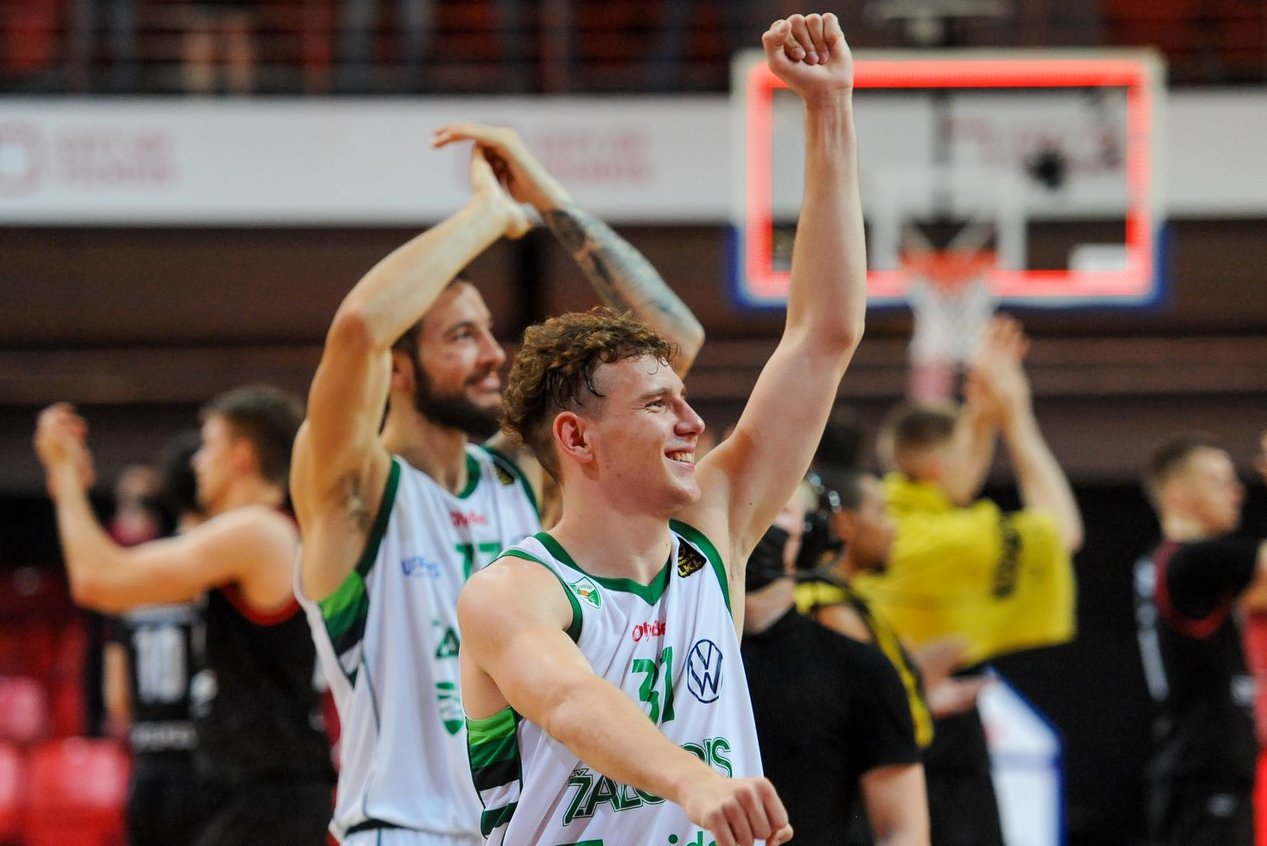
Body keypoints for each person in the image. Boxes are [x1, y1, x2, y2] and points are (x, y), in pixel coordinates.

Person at [456, 13, 866, 845]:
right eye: (655, 405)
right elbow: (569, 699)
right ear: (577, 439)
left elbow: (822, 336)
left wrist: (829, 109)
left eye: (682, 398)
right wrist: (693, 780)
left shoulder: (713, 532)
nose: (692, 422)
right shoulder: (513, 591)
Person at [289, 117, 704, 843]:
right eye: (461, 336)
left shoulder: (518, 474)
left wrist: (545, 200)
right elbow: (357, 328)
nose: (492, 354)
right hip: (402, 830)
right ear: (398, 369)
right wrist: (485, 215)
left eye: (487, 329)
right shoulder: (353, 490)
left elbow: (670, 345)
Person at [34, 386, 334, 846]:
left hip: (272, 791)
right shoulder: (265, 531)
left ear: (241, 456)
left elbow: (97, 581)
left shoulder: (258, 531)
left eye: (209, 446)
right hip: (260, 786)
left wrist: (66, 479)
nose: (197, 461)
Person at [852, 315, 1084, 846]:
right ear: (938, 465)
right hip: (927, 742)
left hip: (884, 735)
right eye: (969, 450)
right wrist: (1016, 418)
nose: (980, 461)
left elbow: (960, 480)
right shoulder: (944, 539)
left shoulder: (897, 514)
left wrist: (980, 413)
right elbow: (1063, 531)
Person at [743, 485, 928, 846]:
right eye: (741, 506)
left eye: (778, 511)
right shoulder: (670, 654)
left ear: (810, 537)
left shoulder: (860, 668)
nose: (755, 521)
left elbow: (904, 830)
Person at [1133, 433, 1267, 846]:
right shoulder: (1191, 560)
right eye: (1218, 481)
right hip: (1204, 777)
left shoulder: (1168, 562)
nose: (1237, 491)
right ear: (1177, 494)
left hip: (1197, 772)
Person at [102, 432, 207, 846]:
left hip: (148, 770)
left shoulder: (129, 590)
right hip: (206, 766)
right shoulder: (209, 579)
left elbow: (117, 701)